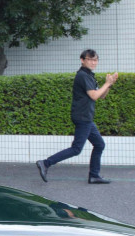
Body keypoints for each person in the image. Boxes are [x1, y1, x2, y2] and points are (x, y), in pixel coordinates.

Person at [36, 49, 118, 185]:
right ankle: (45, 163)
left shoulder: (89, 75)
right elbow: (94, 96)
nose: (93, 62)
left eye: (95, 59)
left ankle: (94, 176)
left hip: (86, 117)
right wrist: (107, 83)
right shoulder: (82, 75)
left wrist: (109, 84)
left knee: (99, 144)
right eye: (90, 59)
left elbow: (101, 95)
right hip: (82, 117)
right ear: (82, 60)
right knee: (76, 149)